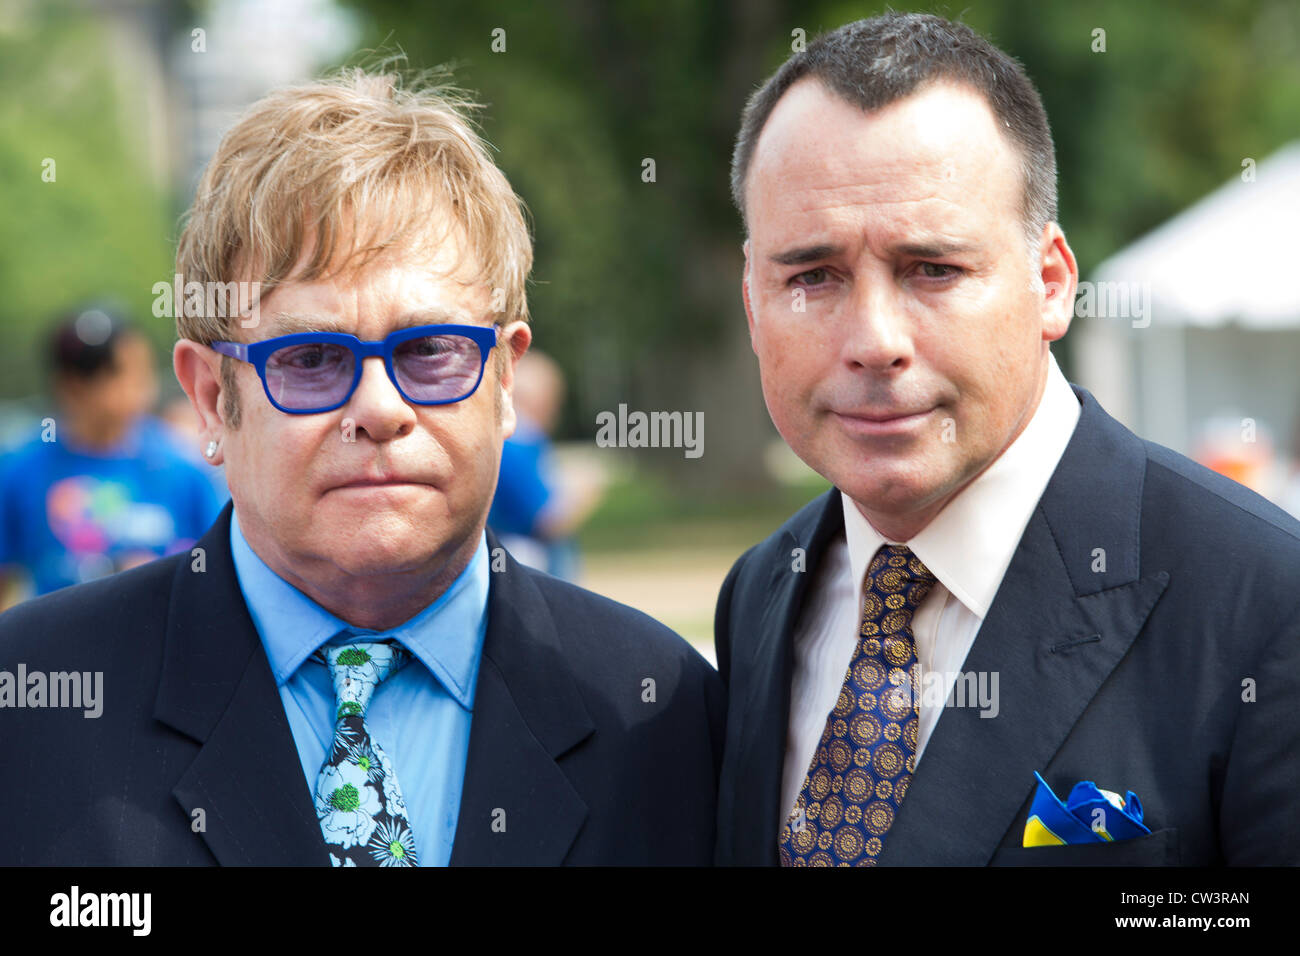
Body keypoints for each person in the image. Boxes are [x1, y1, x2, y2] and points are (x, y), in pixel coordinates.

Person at [0, 69, 722, 866]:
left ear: (505, 380)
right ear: (211, 398)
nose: (379, 407)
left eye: (430, 351)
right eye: (311, 358)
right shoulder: (30, 703)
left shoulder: (668, 715)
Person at [713, 13, 1300, 866]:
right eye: (812, 276)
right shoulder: (762, 595)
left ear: (1052, 284)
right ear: (753, 303)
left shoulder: (1265, 607)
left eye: (933, 270)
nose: (876, 338)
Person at [0, 306, 223, 606]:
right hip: (57, 643)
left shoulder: (181, 469)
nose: (143, 386)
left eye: (144, 369)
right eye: (123, 374)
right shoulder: (22, 470)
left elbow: (217, 572)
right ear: (73, 387)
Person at [488, 349, 606, 579]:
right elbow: (545, 521)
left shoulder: (517, 441)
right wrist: (584, 494)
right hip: (526, 564)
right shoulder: (517, 441)